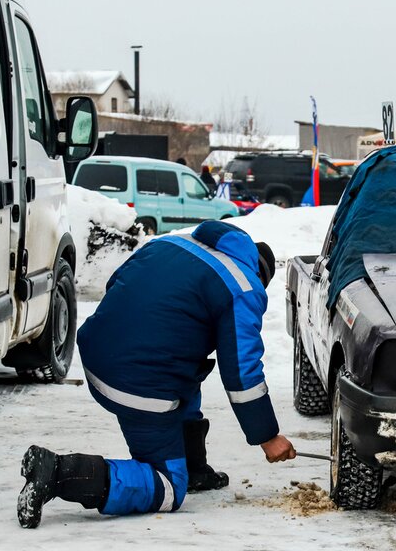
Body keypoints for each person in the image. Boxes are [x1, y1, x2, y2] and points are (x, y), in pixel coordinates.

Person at [17, 220, 295, 528]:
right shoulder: (243, 285)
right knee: (168, 487)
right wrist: (267, 436)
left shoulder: (171, 244)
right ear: (261, 274)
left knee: (189, 368)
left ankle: (194, 466)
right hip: (137, 386)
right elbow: (242, 371)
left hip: (97, 355)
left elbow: (117, 285)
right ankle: (58, 472)